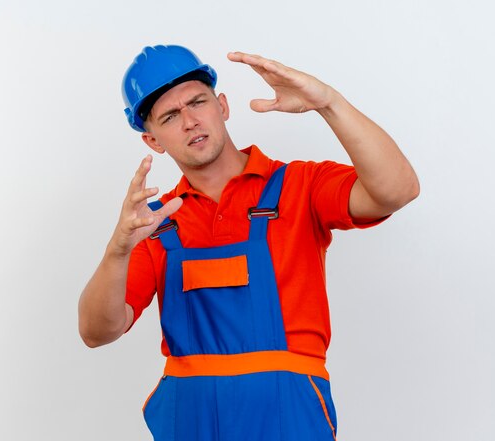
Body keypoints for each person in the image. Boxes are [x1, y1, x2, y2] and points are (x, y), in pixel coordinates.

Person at [78, 44, 419, 441]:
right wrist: (117, 251)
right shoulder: (155, 222)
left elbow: (398, 190)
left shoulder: (299, 186)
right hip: (190, 420)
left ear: (222, 106)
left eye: (197, 102)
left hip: (288, 416)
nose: (190, 121)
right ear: (153, 141)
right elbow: (96, 331)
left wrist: (329, 103)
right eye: (170, 116)